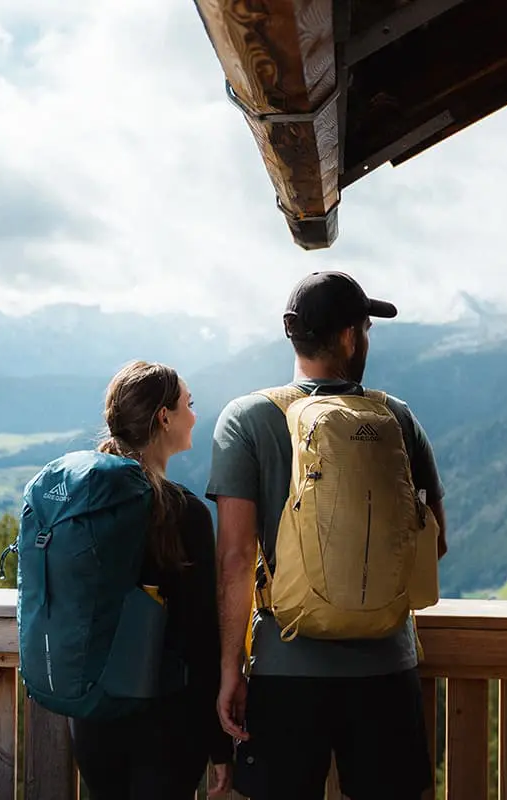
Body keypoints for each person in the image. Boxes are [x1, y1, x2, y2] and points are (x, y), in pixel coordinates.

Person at [206, 271, 448, 800]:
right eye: (364, 327)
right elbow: (435, 540)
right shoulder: (396, 418)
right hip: (387, 666)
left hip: (285, 666)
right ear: (347, 338)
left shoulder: (246, 419)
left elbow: (236, 557)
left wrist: (229, 669)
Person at [67, 360, 233, 799]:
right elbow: (200, 639)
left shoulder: (81, 501)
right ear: (164, 417)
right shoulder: (185, 514)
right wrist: (220, 746)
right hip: (165, 724)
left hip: (92, 719)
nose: (195, 415)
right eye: (189, 405)